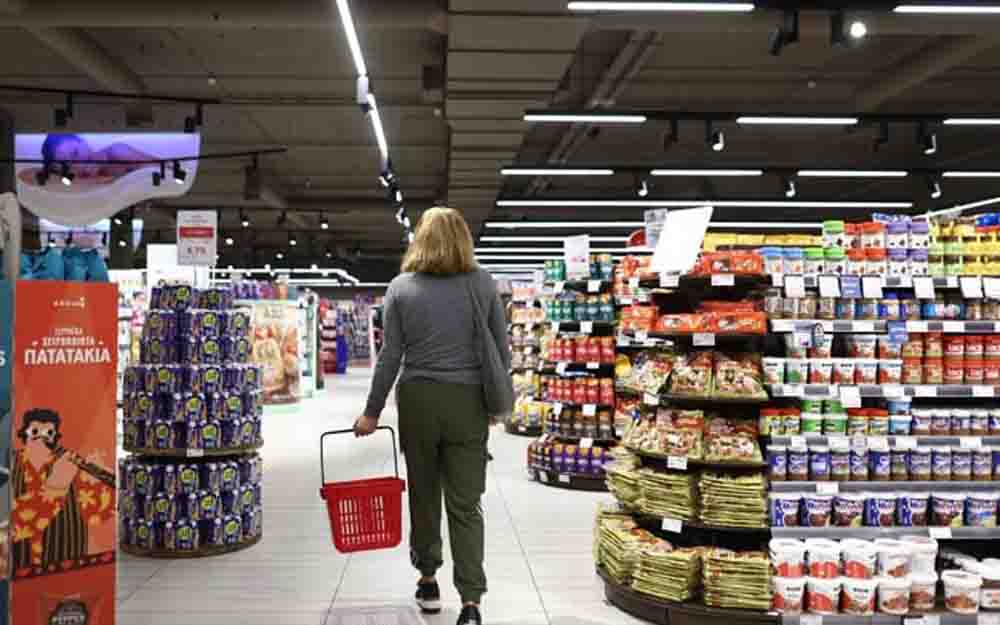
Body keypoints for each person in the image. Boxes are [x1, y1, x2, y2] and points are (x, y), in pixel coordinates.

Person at [354, 207, 509, 625]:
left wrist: (371, 411)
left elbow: (390, 356)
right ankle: (471, 602)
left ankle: (427, 579)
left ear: (419, 239)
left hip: (418, 401)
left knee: (424, 495)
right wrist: (495, 403)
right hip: (468, 401)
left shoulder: (401, 288)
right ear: (463, 239)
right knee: (466, 504)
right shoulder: (482, 283)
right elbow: (500, 349)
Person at [10, 409, 114, 572]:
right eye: (35, 431)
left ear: (55, 437)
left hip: (64, 564)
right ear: (24, 433)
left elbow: (98, 515)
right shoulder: (8, 462)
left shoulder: (70, 463)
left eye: (48, 432)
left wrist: (99, 480)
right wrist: (55, 488)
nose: (41, 437)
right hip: (18, 566)